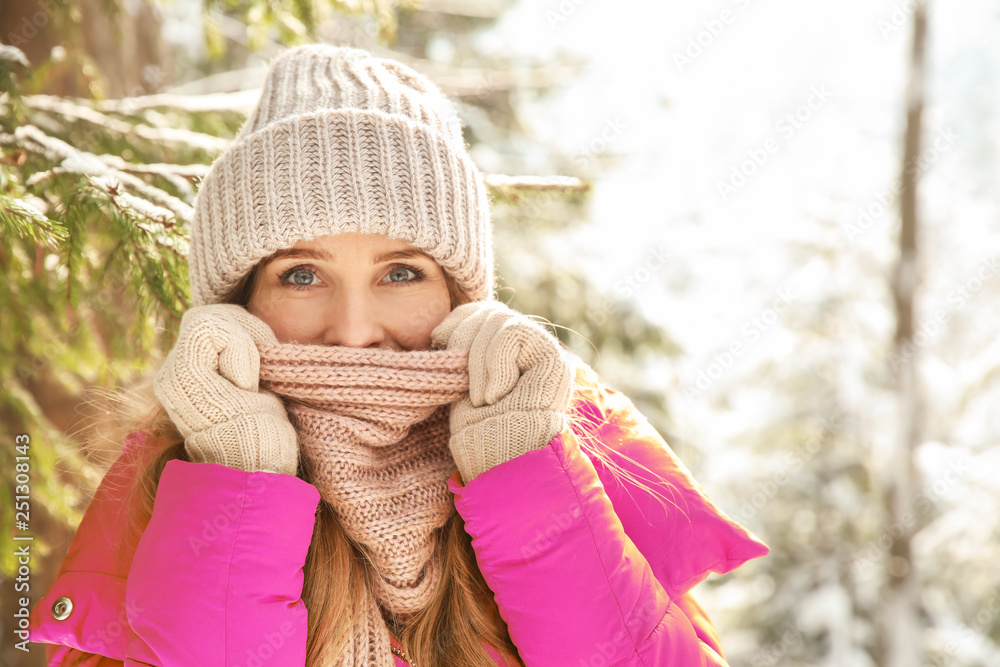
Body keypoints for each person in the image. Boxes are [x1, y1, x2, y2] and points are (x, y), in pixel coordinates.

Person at [28, 44, 768, 666]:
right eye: (302, 274)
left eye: (401, 272)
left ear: (460, 297)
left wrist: (524, 476)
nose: (355, 331)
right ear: (240, 307)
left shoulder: (576, 458)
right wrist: (240, 480)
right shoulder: (171, 488)